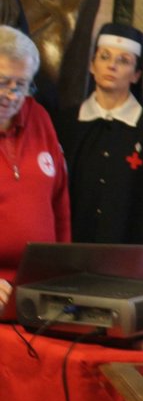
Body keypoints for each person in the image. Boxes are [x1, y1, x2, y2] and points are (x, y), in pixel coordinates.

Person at [56, 23, 143, 255]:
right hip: (69, 252)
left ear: (136, 75)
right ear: (92, 65)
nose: (111, 65)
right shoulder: (65, 123)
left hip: (129, 256)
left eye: (124, 61)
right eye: (104, 57)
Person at [0, 26, 69, 314]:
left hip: (39, 288)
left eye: (22, 84)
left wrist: (65, 274)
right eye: (3, 82)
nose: (12, 95)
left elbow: (59, 201)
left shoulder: (38, 116)